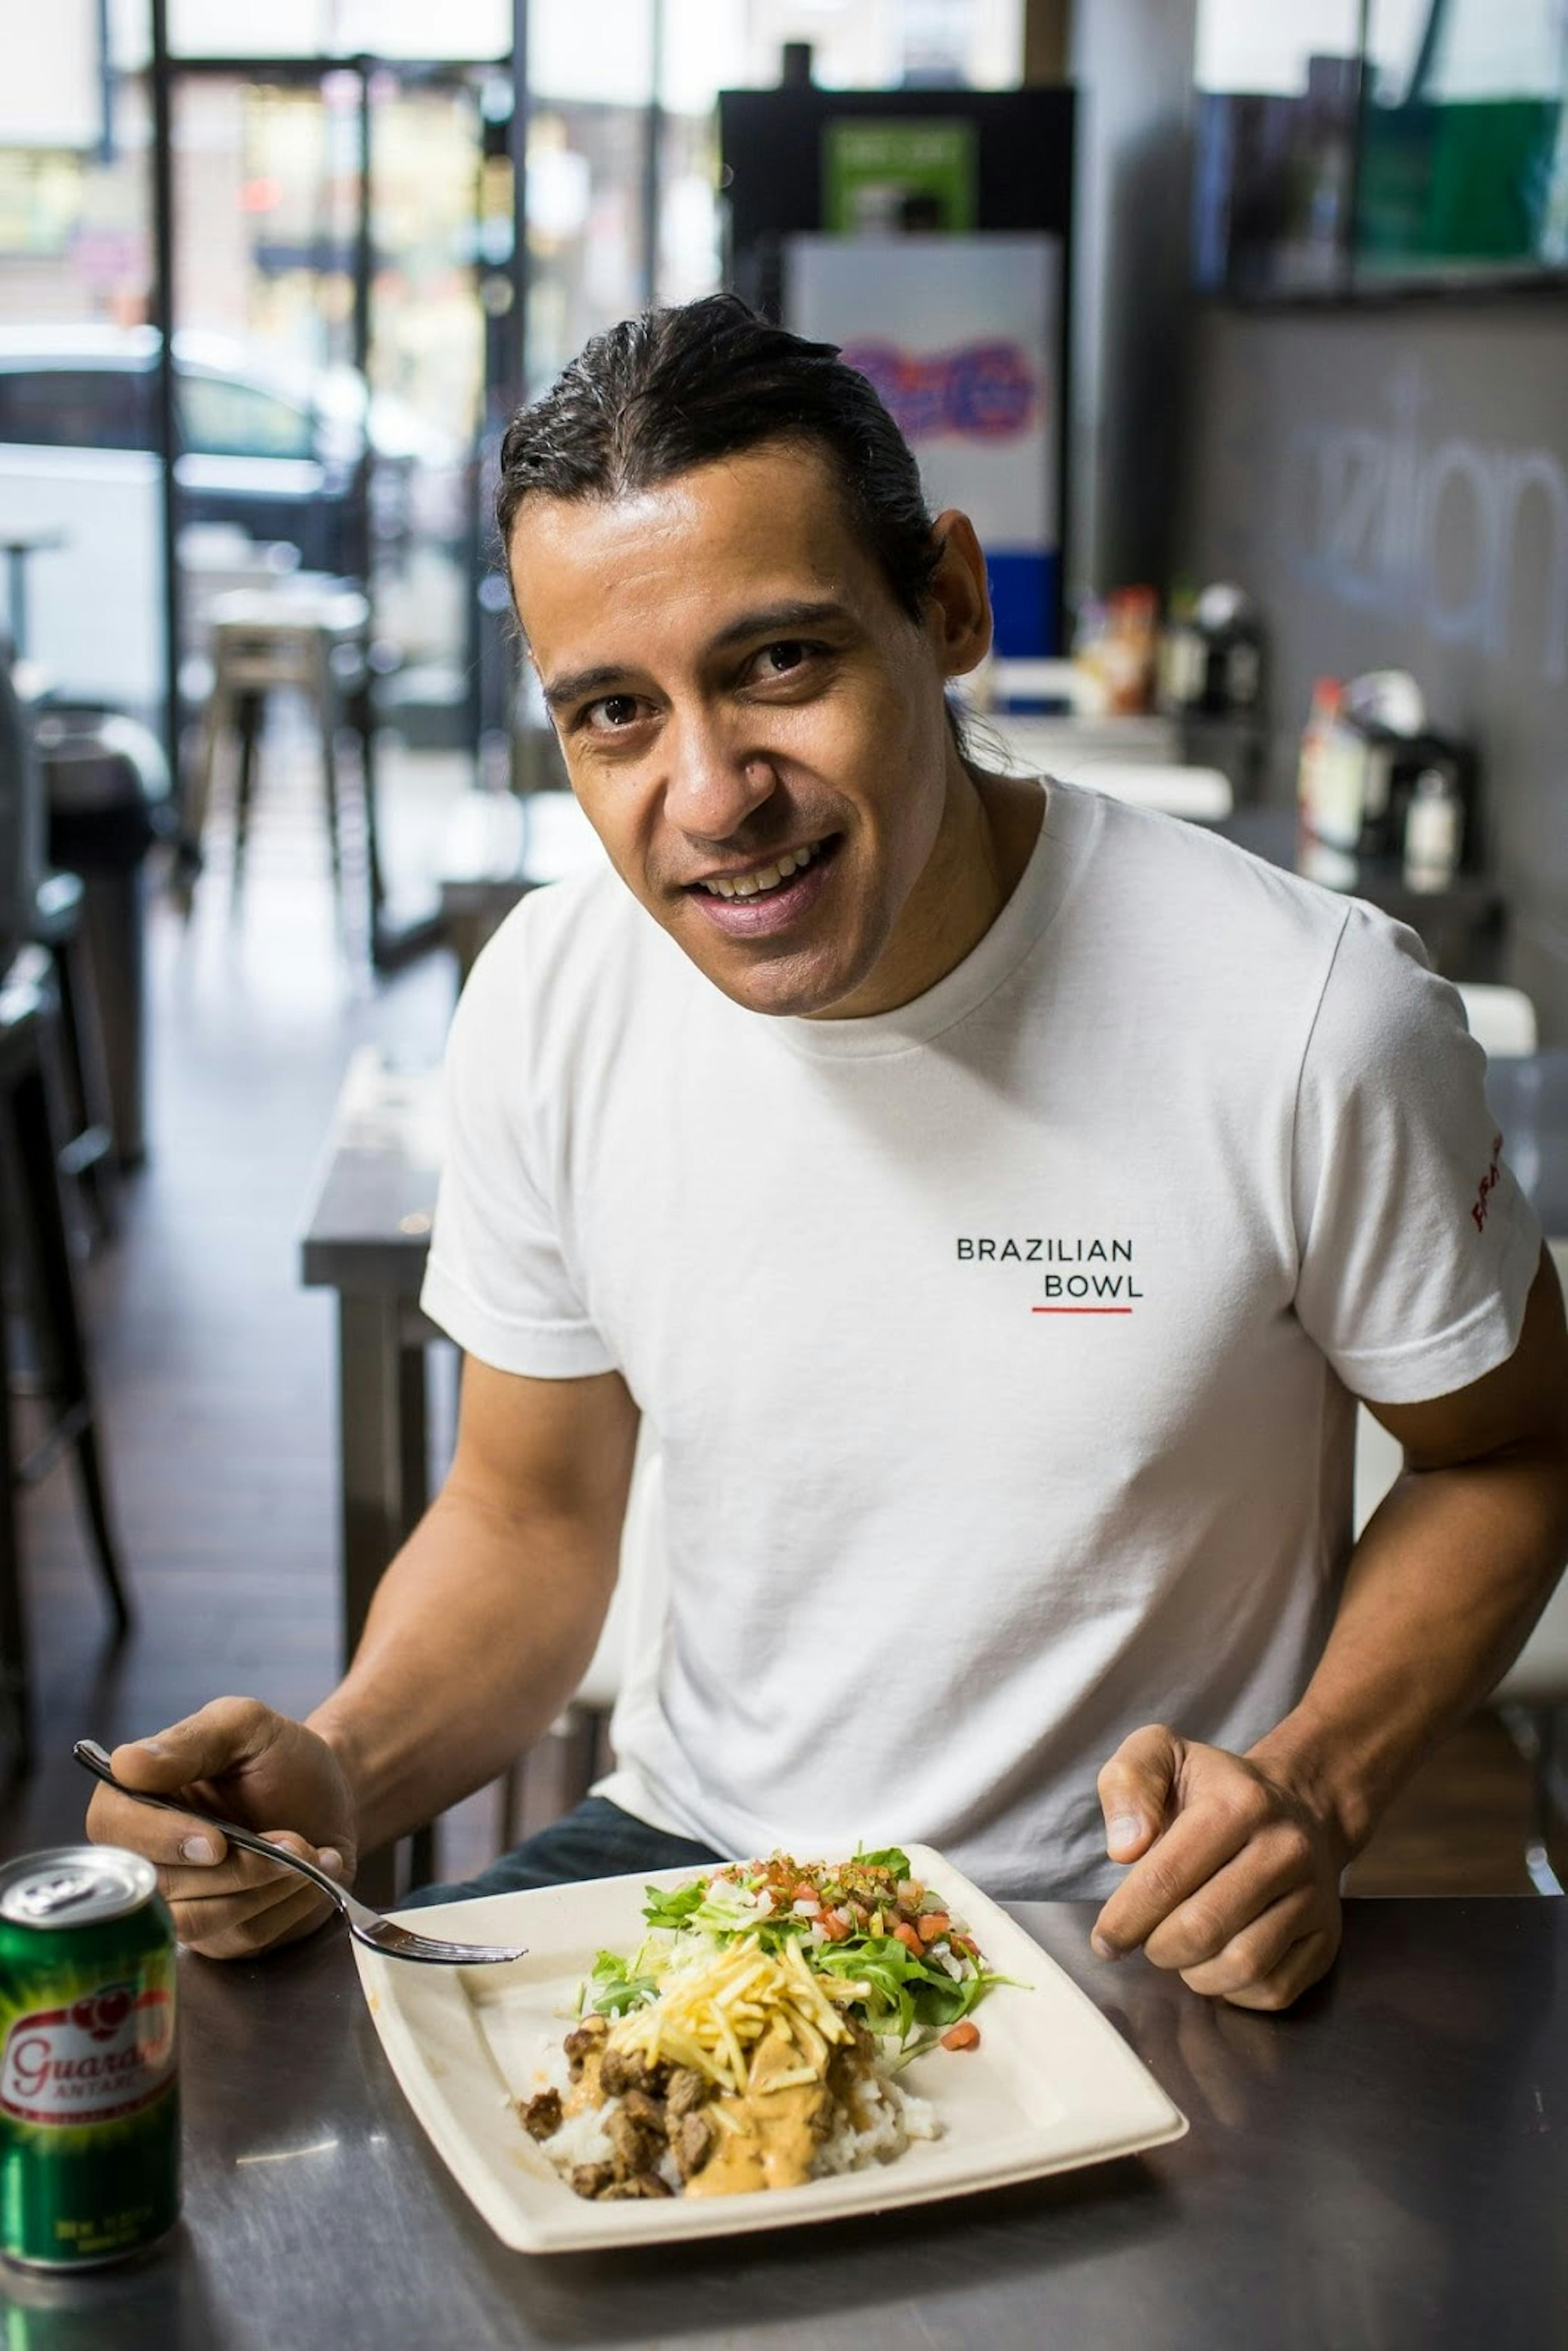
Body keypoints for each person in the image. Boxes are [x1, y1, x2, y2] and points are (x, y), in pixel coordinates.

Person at [87, 296, 1568, 2011]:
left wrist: (1315, 1780)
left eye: (777, 663)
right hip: (693, 1869)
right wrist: (341, 1769)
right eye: (615, 715)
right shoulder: (555, 992)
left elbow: (1514, 1453)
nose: (712, 795)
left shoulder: (1309, 1015)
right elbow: (528, 1515)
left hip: (1111, 1936)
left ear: (944, 605)